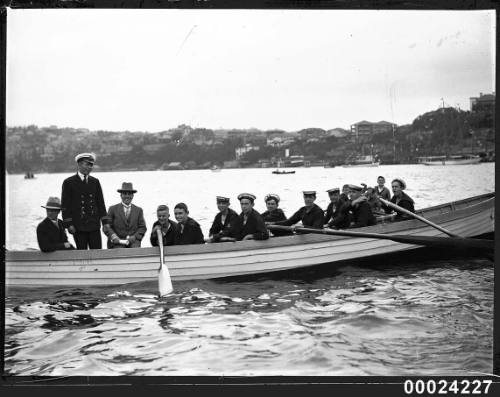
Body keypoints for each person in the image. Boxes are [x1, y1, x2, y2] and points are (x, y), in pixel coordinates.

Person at [61, 152, 107, 249]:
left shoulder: (95, 181)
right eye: (87, 164)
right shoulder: (69, 182)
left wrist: (105, 222)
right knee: (82, 253)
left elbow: (100, 203)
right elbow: (65, 205)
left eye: (91, 165)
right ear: (79, 164)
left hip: (94, 225)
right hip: (78, 226)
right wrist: (69, 224)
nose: (89, 167)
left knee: (97, 252)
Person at [103, 182, 147, 248]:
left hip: (133, 243)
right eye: (124, 194)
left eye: (129, 194)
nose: (127, 196)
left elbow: (142, 227)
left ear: (132, 196)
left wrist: (134, 237)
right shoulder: (112, 209)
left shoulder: (139, 210)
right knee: (119, 252)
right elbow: (106, 227)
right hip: (117, 243)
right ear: (121, 195)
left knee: (135, 252)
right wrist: (113, 236)